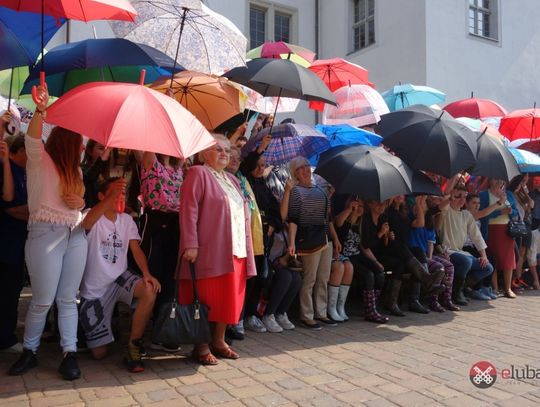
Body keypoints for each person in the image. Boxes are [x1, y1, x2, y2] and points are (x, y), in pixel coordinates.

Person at [9, 83, 88, 380]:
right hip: (45, 233)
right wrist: (41, 110)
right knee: (42, 298)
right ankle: (30, 351)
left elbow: (78, 201)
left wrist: (80, 202)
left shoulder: (75, 170)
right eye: (79, 142)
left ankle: (70, 353)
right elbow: (31, 138)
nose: (82, 148)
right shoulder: (40, 159)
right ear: (69, 142)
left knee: (68, 297)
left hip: (75, 233)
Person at [179, 135, 256, 365]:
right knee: (206, 299)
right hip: (209, 250)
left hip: (236, 249)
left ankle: (219, 341)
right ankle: (201, 345)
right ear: (204, 154)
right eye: (217, 149)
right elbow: (188, 210)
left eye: (226, 150)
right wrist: (190, 244)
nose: (224, 153)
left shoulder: (231, 179)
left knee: (227, 300)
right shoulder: (198, 173)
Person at [79, 178, 161, 372]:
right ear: (101, 196)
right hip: (94, 288)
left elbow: (136, 250)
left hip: (119, 278)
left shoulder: (127, 220)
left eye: (123, 193)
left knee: (149, 290)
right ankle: (102, 331)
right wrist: (110, 198)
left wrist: (147, 274)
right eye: (115, 193)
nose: (120, 197)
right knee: (98, 354)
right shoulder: (91, 214)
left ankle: (134, 345)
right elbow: (86, 225)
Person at [287, 156, 338, 330]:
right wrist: (292, 242)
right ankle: (307, 315)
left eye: (307, 166)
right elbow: (292, 219)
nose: (306, 170)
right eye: (301, 168)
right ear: (295, 173)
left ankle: (321, 312)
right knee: (310, 278)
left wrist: (335, 238)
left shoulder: (321, 190)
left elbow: (328, 217)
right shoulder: (295, 191)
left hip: (325, 238)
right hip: (308, 239)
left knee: (323, 278)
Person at [138, 151, 182, 351]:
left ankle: (164, 328)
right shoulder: (151, 161)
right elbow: (146, 146)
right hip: (154, 222)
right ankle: (151, 327)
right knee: (154, 275)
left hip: (175, 224)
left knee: (171, 277)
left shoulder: (179, 165)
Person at [438, 185, 494, 305]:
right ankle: (456, 294)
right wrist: (449, 198)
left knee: (488, 267)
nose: (462, 199)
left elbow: (476, 236)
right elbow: (441, 206)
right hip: (447, 251)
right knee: (466, 261)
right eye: (459, 196)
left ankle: (461, 288)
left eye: (464, 196)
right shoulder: (446, 210)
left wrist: (483, 256)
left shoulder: (466, 215)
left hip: (460, 251)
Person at [335, 197, 388, 323]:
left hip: (358, 255)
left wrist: (376, 262)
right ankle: (370, 312)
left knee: (379, 273)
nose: (359, 209)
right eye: (356, 206)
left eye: (361, 207)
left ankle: (373, 308)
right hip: (346, 257)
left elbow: (364, 247)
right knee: (368, 275)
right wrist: (350, 210)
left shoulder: (361, 223)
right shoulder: (344, 219)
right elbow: (338, 224)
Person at [0, 133, 28, 352]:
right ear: (19, 151)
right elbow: (9, 205)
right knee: (8, 289)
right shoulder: (6, 168)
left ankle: (7, 328)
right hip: (7, 240)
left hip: (17, 240)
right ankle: (5, 338)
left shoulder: (25, 172)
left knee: (13, 288)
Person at [479, 178, 519, 298]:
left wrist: (511, 211)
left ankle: (507, 288)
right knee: (493, 257)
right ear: (490, 181)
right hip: (490, 229)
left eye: (501, 180)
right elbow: (481, 214)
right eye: (496, 180)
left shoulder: (509, 194)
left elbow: (516, 212)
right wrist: (499, 212)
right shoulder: (483, 195)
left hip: (506, 230)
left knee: (508, 259)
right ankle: (495, 288)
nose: (499, 182)